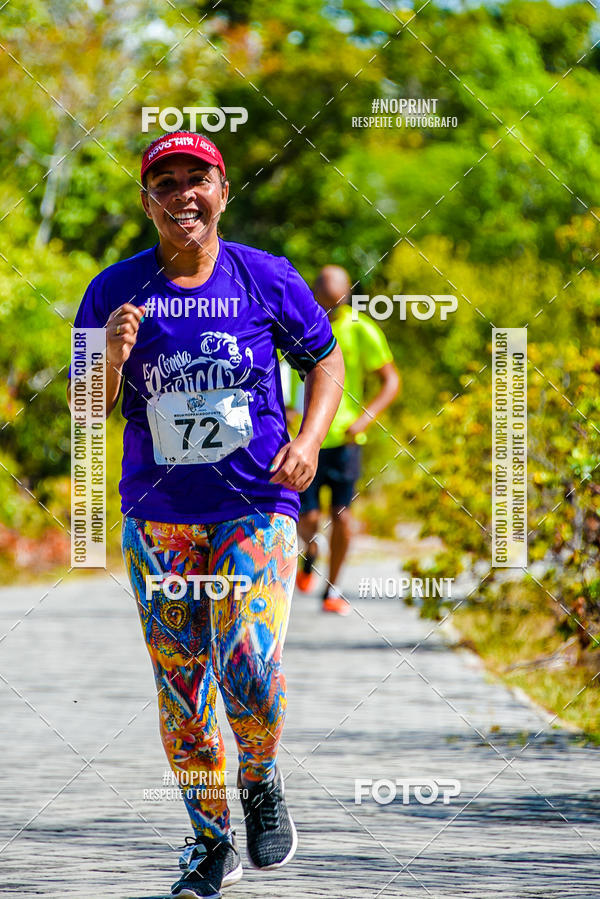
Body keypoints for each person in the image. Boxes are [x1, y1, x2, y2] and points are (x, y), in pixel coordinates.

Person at [67, 131, 344, 899]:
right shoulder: (113, 290)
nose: (183, 193)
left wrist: (312, 439)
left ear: (222, 191)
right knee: (184, 689)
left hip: (258, 503)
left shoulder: (267, 277)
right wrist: (112, 358)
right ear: (146, 199)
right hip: (160, 519)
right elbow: (85, 410)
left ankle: (260, 777)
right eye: (166, 182)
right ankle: (208, 841)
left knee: (248, 660)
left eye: (198, 179)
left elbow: (323, 359)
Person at [296, 265, 400, 615]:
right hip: (306, 436)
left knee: (342, 515)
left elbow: (390, 380)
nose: (332, 309)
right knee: (306, 517)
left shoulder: (360, 329)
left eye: (337, 303)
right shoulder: (299, 322)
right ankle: (310, 550)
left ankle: (334, 588)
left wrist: (365, 418)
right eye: (325, 303)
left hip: (345, 439)